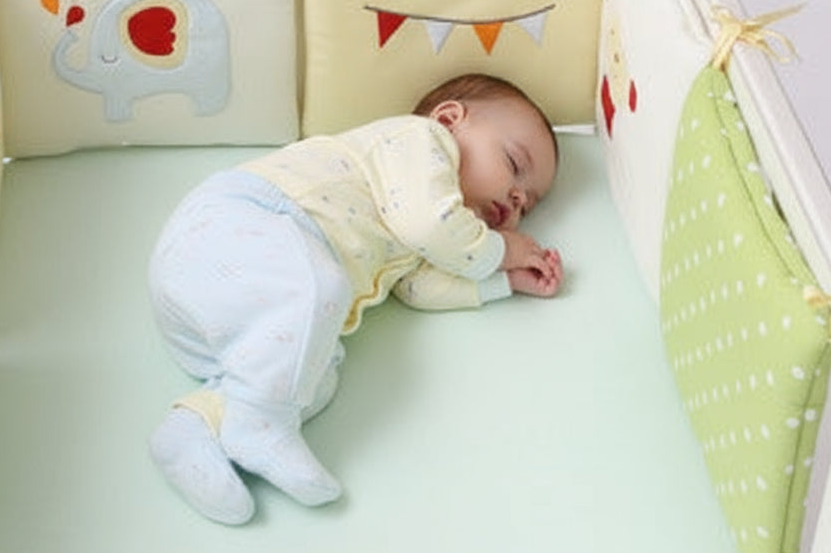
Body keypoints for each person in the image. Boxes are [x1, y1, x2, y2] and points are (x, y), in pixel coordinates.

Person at [147, 73, 563, 525]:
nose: (518, 197)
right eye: (513, 162)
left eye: (529, 205)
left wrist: (502, 284)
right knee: (321, 287)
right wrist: (501, 252)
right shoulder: (418, 141)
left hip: (227, 318)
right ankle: (257, 425)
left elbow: (416, 288)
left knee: (317, 373)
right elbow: (430, 225)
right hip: (238, 224)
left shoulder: (430, 236)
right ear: (451, 118)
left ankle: (195, 429)